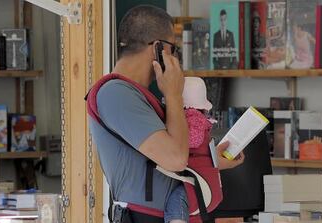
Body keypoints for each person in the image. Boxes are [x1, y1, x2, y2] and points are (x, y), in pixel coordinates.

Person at [88, 5, 245, 223]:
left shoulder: (136, 95)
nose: (175, 58)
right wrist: (173, 95)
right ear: (158, 48)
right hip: (144, 217)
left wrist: (208, 160)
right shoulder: (116, 93)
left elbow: (170, 155)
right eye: (174, 49)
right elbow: (175, 159)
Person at [165, 77, 218, 223]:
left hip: (197, 182)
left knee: (176, 202)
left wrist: (170, 137)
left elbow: (193, 140)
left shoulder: (192, 118)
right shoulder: (199, 119)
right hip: (204, 183)